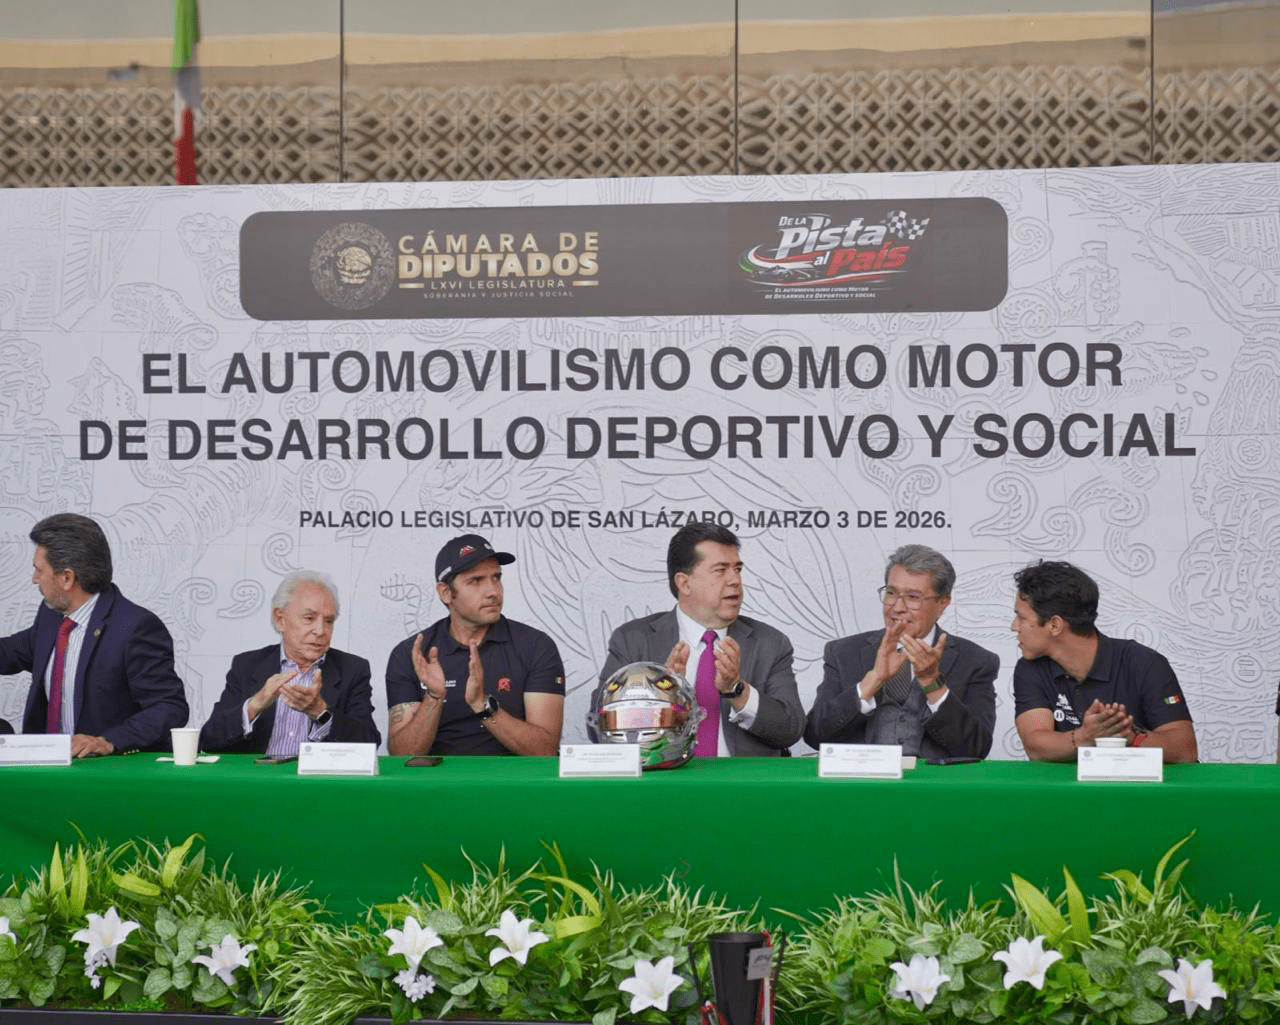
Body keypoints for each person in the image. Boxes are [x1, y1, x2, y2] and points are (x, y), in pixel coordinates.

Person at [594, 522, 805, 756]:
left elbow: (790, 730)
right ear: (684, 583)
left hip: (743, 778)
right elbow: (598, 728)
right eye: (721, 570)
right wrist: (660, 695)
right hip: (665, 775)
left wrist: (737, 690)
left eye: (737, 569)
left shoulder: (770, 643)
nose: (735, 580)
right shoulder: (633, 640)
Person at [0, 513, 188, 756]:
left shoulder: (135, 628)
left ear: (67, 578)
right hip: (46, 768)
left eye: (39, 570)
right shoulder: (51, 616)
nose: (35, 579)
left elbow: (169, 707)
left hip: (104, 772)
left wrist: (108, 741)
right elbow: (10, 652)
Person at [804, 544, 998, 760]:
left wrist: (933, 684)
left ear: (943, 603)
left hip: (933, 780)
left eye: (913, 597)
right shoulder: (843, 652)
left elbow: (977, 748)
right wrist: (872, 681)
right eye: (891, 593)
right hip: (860, 778)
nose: (897, 607)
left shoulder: (975, 661)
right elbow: (815, 735)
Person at [385, 534, 565, 756]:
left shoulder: (536, 646)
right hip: (438, 777)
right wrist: (433, 698)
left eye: (496, 578)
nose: (493, 592)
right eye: (476, 581)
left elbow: (546, 750)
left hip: (515, 776)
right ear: (445, 593)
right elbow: (402, 755)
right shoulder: (412, 654)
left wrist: (482, 705)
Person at [1011, 560, 1197, 763]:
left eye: (1021, 618)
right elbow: (1036, 747)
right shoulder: (1030, 668)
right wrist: (1085, 737)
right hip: (1077, 784)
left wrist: (1129, 736)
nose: (1014, 626)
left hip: (1147, 783)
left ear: (1054, 625)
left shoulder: (1145, 663)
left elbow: (1185, 750)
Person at [199, 571, 380, 755]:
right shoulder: (247, 665)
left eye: (328, 621)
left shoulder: (352, 669)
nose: (320, 630)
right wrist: (255, 705)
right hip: (260, 772)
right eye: (309, 618)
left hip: (317, 774)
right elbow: (209, 740)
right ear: (280, 619)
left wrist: (320, 712)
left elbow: (369, 744)